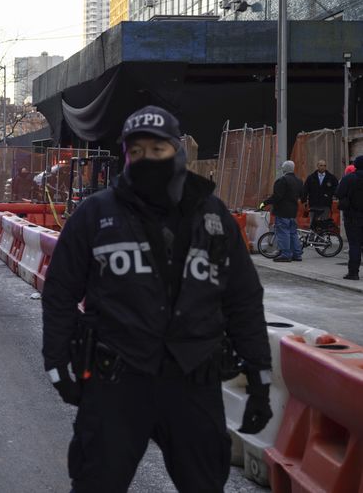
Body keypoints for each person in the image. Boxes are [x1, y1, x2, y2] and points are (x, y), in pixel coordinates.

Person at [42, 106, 272, 493]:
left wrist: (260, 377)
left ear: (177, 151)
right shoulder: (96, 214)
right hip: (117, 382)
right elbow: (60, 292)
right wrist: (56, 362)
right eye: (137, 152)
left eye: (157, 149)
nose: (147, 158)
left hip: (192, 381)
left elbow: (243, 300)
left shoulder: (213, 216)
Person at [262, 161, 304, 262]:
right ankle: (297, 254)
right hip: (293, 211)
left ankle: (286, 255)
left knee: (283, 233)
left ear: (284, 169)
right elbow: (302, 196)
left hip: (282, 211)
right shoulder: (299, 181)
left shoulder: (282, 180)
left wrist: (264, 203)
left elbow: (277, 196)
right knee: (293, 233)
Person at [335, 155, 363, 280]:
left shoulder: (349, 178)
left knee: (355, 244)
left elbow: (338, 193)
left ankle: (353, 272)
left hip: (352, 216)